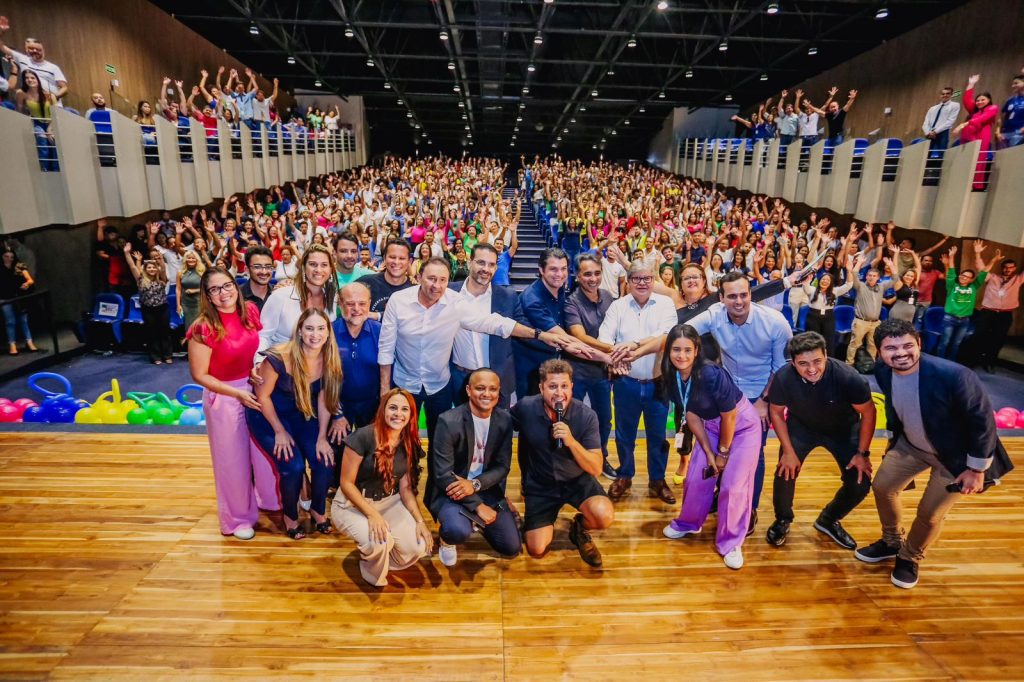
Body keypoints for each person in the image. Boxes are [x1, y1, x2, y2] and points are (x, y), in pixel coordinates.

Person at [856, 319, 1014, 589]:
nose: (901, 353)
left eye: (907, 345)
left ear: (919, 343)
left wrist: (977, 469)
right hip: (910, 446)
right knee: (882, 487)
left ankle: (910, 556)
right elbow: (897, 407)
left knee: (929, 514)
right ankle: (892, 542)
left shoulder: (955, 375)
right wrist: (894, 441)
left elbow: (983, 422)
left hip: (955, 458)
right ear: (879, 352)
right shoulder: (883, 370)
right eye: (891, 348)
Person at [379, 257, 585, 444]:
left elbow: (493, 323)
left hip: (439, 385)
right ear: (418, 278)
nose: (437, 285)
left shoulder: (454, 302)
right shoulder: (398, 300)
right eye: (431, 279)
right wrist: (384, 389)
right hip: (404, 383)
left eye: (442, 280)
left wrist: (540, 334)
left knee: (439, 441)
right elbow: (386, 348)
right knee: (399, 439)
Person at [671, 271, 793, 533]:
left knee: (752, 454)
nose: (739, 301)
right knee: (720, 447)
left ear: (750, 294)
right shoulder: (714, 314)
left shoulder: (775, 323)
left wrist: (764, 401)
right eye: (732, 296)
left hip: (760, 393)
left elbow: (781, 369)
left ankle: (750, 508)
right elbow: (679, 333)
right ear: (721, 298)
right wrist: (637, 346)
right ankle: (722, 495)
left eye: (744, 295)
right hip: (726, 392)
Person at [186, 267, 281, 540]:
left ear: (235, 286)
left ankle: (270, 499)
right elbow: (199, 375)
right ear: (207, 296)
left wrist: (256, 370)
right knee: (233, 461)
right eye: (215, 289)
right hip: (225, 397)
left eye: (227, 285)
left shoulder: (249, 311)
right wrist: (236, 393)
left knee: (264, 452)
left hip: (255, 389)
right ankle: (237, 518)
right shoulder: (203, 327)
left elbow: (256, 349)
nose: (223, 293)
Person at [659, 325, 761, 569]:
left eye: (687, 350)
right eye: (676, 349)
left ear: (696, 350)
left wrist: (722, 454)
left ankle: (731, 541)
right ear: (668, 351)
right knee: (696, 477)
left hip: (742, 428)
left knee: (733, 486)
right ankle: (689, 523)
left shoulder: (710, 373)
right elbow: (691, 415)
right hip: (711, 427)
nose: (681, 355)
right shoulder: (672, 376)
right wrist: (707, 452)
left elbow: (730, 416)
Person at [765, 332, 875, 549]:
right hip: (802, 427)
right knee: (785, 471)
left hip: (843, 430)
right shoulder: (784, 377)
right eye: (803, 363)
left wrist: (862, 453)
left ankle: (828, 519)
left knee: (860, 482)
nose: (812, 369)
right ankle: (783, 519)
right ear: (793, 363)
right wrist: (788, 451)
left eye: (817, 361)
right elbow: (776, 413)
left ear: (826, 355)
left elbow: (869, 413)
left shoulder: (848, 377)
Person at [247, 309, 341, 539]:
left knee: (324, 460)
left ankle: (318, 510)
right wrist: (279, 431)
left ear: (328, 332)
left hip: (302, 414)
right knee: (293, 467)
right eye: (309, 328)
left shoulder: (329, 357)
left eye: (321, 328)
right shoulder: (278, 358)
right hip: (268, 416)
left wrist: (322, 437)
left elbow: (323, 399)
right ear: (299, 331)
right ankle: (290, 516)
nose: (315, 334)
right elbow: (262, 397)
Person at [513, 359, 614, 567]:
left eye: (564, 386)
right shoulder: (526, 407)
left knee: (603, 515)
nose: (559, 393)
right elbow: (499, 425)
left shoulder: (586, 415)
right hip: (541, 485)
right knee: (537, 549)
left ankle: (579, 528)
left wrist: (571, 442)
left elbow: (596, 467)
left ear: (571, 387)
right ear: (541, 388)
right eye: (552, 386)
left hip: (577, 480)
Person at [333, 388, 433, 587]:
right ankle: (371, 566)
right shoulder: (363, 436)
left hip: (389, 500)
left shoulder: (410, 442)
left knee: (418, 545)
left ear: (411, 415)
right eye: (393, 408)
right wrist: (372, 515)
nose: (398, 414)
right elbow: (346, 483)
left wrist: (420, 521)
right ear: (383, 410)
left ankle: (379, 556)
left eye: (404, 409)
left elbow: (406, 489)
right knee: (380, 541)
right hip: (352, 503)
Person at [599, 261, 678, 504]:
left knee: (658, 436)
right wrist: (614, 357)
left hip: (658, 382)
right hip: (626, 382)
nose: (642, 283)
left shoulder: (665, 304)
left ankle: (657, 479)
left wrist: (633, 345)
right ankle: (624, 475)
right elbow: (604, 337)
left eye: (647, 278)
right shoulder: (618, 306)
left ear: (654, 280)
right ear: (629, 281)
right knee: (624, 434)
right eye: (636, 279)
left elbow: (666, 336)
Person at [427, 369, 521, 567]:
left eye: (492, 389)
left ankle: (475, 520)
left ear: (499, 392)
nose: (487, 394)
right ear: (469, 390)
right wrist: (478, 506)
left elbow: (502, 466)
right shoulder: (448, 421)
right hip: (451, 491)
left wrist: (475, 484)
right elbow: (443, 475)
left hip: (485, 488)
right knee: (457, 531)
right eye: (480, 388)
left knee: (511, 547)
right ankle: (448, 539)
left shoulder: (504, 420)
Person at [449, 244, 522, 409]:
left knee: (499, 425)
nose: (486, 269)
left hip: (497, 378)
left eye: (491, 264)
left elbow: (522, 328)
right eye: (481, 262)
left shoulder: (508, 296)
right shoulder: (449, 292)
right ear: (469, 263)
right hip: (459, 377)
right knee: (461, 424)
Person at [564, 254, 616, 480]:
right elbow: (580, 336)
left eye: (596, 273)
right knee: (573, 418)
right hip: (577, 370)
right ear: (577, 276)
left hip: (601, 371)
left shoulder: (608, 297)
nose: (593, 278)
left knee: (604, 419)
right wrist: (613, 349)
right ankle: (573, 460)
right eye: (587, 274)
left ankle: (600, 457)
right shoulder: (571, 301)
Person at [258, 243, 338, 357]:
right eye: (313, 264)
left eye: (324, 265)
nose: (318, 270)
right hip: (282, 361)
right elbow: (263, 336)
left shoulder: (333, 298)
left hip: (317, 362)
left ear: (331, 269)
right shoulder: (280, 296)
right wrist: (260, 361)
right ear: (304, 268)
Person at [513, 247, 574, 398]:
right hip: (530, 366)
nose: (559, 274)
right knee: (530, 407)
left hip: (549, 359)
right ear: (541, 269)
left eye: (563, 269)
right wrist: (605, 355)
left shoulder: (558, 287)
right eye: (553, 269)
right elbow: (562, 337)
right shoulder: (532, 299)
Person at [936, 241, 994, 362]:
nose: (963, 277)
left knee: (956, 344)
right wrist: (952, 256)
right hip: (950, 319)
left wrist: (992, 259)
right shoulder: (952, 285)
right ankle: (939, 363)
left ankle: (951, 364)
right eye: (962, 275)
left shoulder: (974, 287)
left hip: (964, 320)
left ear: (971, 280)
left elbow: (984, 272)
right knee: (945, 342)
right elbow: (951, 270)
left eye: (967, 277)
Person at [124, 243, 173, 365]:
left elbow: (163, 268)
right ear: (145, 269)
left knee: (164, 332)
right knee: (152, 333)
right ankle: (156, 356)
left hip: (162, 308)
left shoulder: (161, 279)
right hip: (148, 309)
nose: (152, 269)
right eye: (149, 267)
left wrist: (161, 259)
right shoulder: (141, 280)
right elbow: (132, 267)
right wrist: (126, 253)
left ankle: (167, 355)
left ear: (157, 269)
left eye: (154, 267)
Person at [0, 18, 68, 103]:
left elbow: (64, 87)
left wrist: (54, 96)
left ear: (43, 50)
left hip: (52, 104)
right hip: (31, 104)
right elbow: (2, 47)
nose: (35, 51)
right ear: (26, 49)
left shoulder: (53, 67)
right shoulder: (22, 59)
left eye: (38, 49)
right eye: (31, 48)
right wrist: (1, 32)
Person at [973, 256, 1021, 372]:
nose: (1007, 269)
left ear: (1015, 268)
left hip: (1005, 315)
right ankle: (973, 360)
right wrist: (978, 254)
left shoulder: (1018, 279)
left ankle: (989, 362)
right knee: (979, 336)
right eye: (1005, 267)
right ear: (1002, 268)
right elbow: (982, 269)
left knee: (998, 339)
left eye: (1010, 267)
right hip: (987, 312)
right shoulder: (992, 277)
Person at [953, 74, 999, 190]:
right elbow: (966, 101)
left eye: (983, 100)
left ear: (989, 100)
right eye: (977, 100)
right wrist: (971, 84)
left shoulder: (992, 108)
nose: (979, 102)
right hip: (969, 138)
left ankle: (977, 185)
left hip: (981, 137)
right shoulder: (975, 111)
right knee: (967, 160)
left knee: (979, 160)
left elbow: (982, 119)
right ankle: (965, 182)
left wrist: (964, 124)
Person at [802, 257, 855, 357]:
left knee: (829, 341)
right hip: (813, 317)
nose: (825, 281)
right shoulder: (812, 290)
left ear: (831, 283)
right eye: (823, 279)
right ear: (819, 280)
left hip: (828, 318)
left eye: (827, 280)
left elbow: (849, 285)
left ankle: (828, 360)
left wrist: (849, 271)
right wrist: (813, 270)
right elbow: (805, 283)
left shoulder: (835, 291)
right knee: (811, 341)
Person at [845, 257, 884, 367]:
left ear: (878, 278)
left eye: (874, 276)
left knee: (873, 345)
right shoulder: (860, 286)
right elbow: (854, 274)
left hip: (875, 323)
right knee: (855, 344)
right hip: (861, 321)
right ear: (866, 276)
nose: (871, 277)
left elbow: (894, 280)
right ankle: (849, 365)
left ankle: (870, 365)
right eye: (869, 275)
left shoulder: (880, 288)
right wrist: (859, 263)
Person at [358, 239, 413, 313]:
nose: (396, 262)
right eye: (392, 257)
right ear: (384, 258)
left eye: (402, 258)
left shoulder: (415, 290)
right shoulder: (365, 282)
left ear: (409, 261)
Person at [1, 247, 37, 354]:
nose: (9, 259)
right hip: (4, 297)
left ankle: (29, 341)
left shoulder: (18, 266)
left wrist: (26, 284)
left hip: (19, 296)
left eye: (11, 257)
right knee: (10, 321)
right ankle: (12, 344)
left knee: (23, 320)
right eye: (6, 256)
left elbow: (30, 279)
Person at [922, 86, 960, 151]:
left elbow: (950, 121)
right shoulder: (932, 108)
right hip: (929, 133)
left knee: (942, 154)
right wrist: (927, 133)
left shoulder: (955, 105)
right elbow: (926, 122)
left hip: (943, 133)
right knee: (926, 154)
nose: (945, 95)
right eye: (943, 94)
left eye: (947, 93)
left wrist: (935, 132)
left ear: (951, 95)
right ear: (940, 95)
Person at [175, 250, 204, 332]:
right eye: (189, 258)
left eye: (193, 258)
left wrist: (195, 290)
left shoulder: (202, 272)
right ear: (185, 259)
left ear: (197, 259)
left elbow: (206, 288)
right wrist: (178, 305)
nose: (191, 260)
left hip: (199, 303)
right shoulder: (180, 273)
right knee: (189, 327)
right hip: (186, 304)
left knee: (200, 326)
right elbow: (178, 289)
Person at [240, 246, 274, 312]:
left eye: (268, 267)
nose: (264, 272)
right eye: (257, 267)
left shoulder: (278, 293)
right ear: (247, 269)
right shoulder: (237, 295)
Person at [996, 73, 1024, 149]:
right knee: (1001, 155)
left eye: (1016, 83)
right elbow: (1001, 117)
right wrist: (998, 131)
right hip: (1004, 134)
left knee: (1015, 155)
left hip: (1019, 134)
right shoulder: (1010, 100)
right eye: (1013, 84)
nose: (1013, 86)